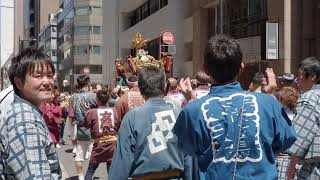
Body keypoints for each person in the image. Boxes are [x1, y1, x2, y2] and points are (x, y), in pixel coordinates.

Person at [173, 35, 296, 179]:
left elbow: (186, 149)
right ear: (241, 68)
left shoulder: (192, 111)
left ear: (206, 70)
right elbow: (286, 139)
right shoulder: (268, 103)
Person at [109, 66, 192, 180]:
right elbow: (188, 157)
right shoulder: (179, 113)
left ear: (141, 89)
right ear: (165, 87)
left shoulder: (132, 117)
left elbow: (122, 161)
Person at [0, 48, 61, 179]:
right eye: (38, 76)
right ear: (19, 82)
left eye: (50, 75)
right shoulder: (24, 118)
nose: (47, 82)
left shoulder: (23, 110)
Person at [286, 57, 320, 179]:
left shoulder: (310, 98)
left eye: (300, 75)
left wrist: (291, 167)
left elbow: (299, 140)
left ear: (313, 77)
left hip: (313, 169)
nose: (297, 79)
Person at [83, 88, 120, 180]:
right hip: (113, 144)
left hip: (99, 145)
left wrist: (88, 111)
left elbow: (86, 125)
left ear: (97, 100)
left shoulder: (91, 112)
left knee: (90, 170)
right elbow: (118, 125)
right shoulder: (114, 110)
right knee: (111, 171)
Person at [72, 74, 97, 180]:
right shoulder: (92, 96)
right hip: (92, 128)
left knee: (79, 154)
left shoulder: (74, 97)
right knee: (93, 154)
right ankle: (89, 175)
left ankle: (81, 176)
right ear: (88, 83)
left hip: (80, 128)